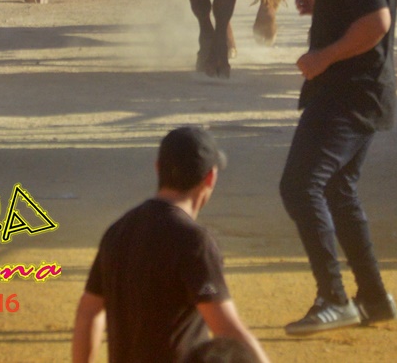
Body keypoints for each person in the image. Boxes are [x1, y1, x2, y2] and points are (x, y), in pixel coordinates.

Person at [280, 0, 397, 335]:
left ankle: (334, 297)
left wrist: (324, 56)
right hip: (370, 90)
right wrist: (328, 1)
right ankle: (373, 296)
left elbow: (379, 20)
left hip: (344, 93)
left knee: (300, 186)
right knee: (338, 188)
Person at [71, 126, 270, 363]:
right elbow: (227, 329)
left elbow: (88, 313)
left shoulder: (118, 230)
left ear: (158, 168)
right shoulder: (194, 241)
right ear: (210, 177)